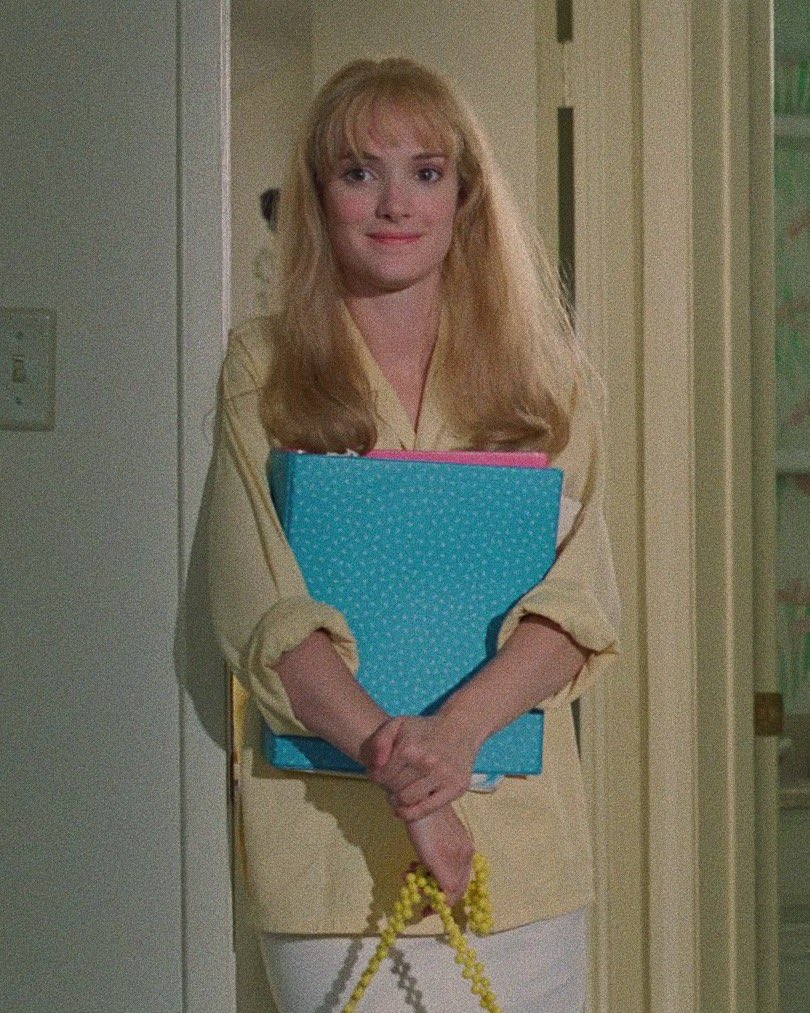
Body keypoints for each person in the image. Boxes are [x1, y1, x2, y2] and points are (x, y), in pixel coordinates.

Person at [209, 56, 620, 1013]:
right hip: (329, 855)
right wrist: (410, 778)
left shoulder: (548, 376)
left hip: (518, 853)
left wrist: (456, 736)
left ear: (465, 195)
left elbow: (576, 606)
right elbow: (261, 607)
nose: (395, 204)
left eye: (426, 173)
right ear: (319, 195)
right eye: (360, 172)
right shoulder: (262, 368)